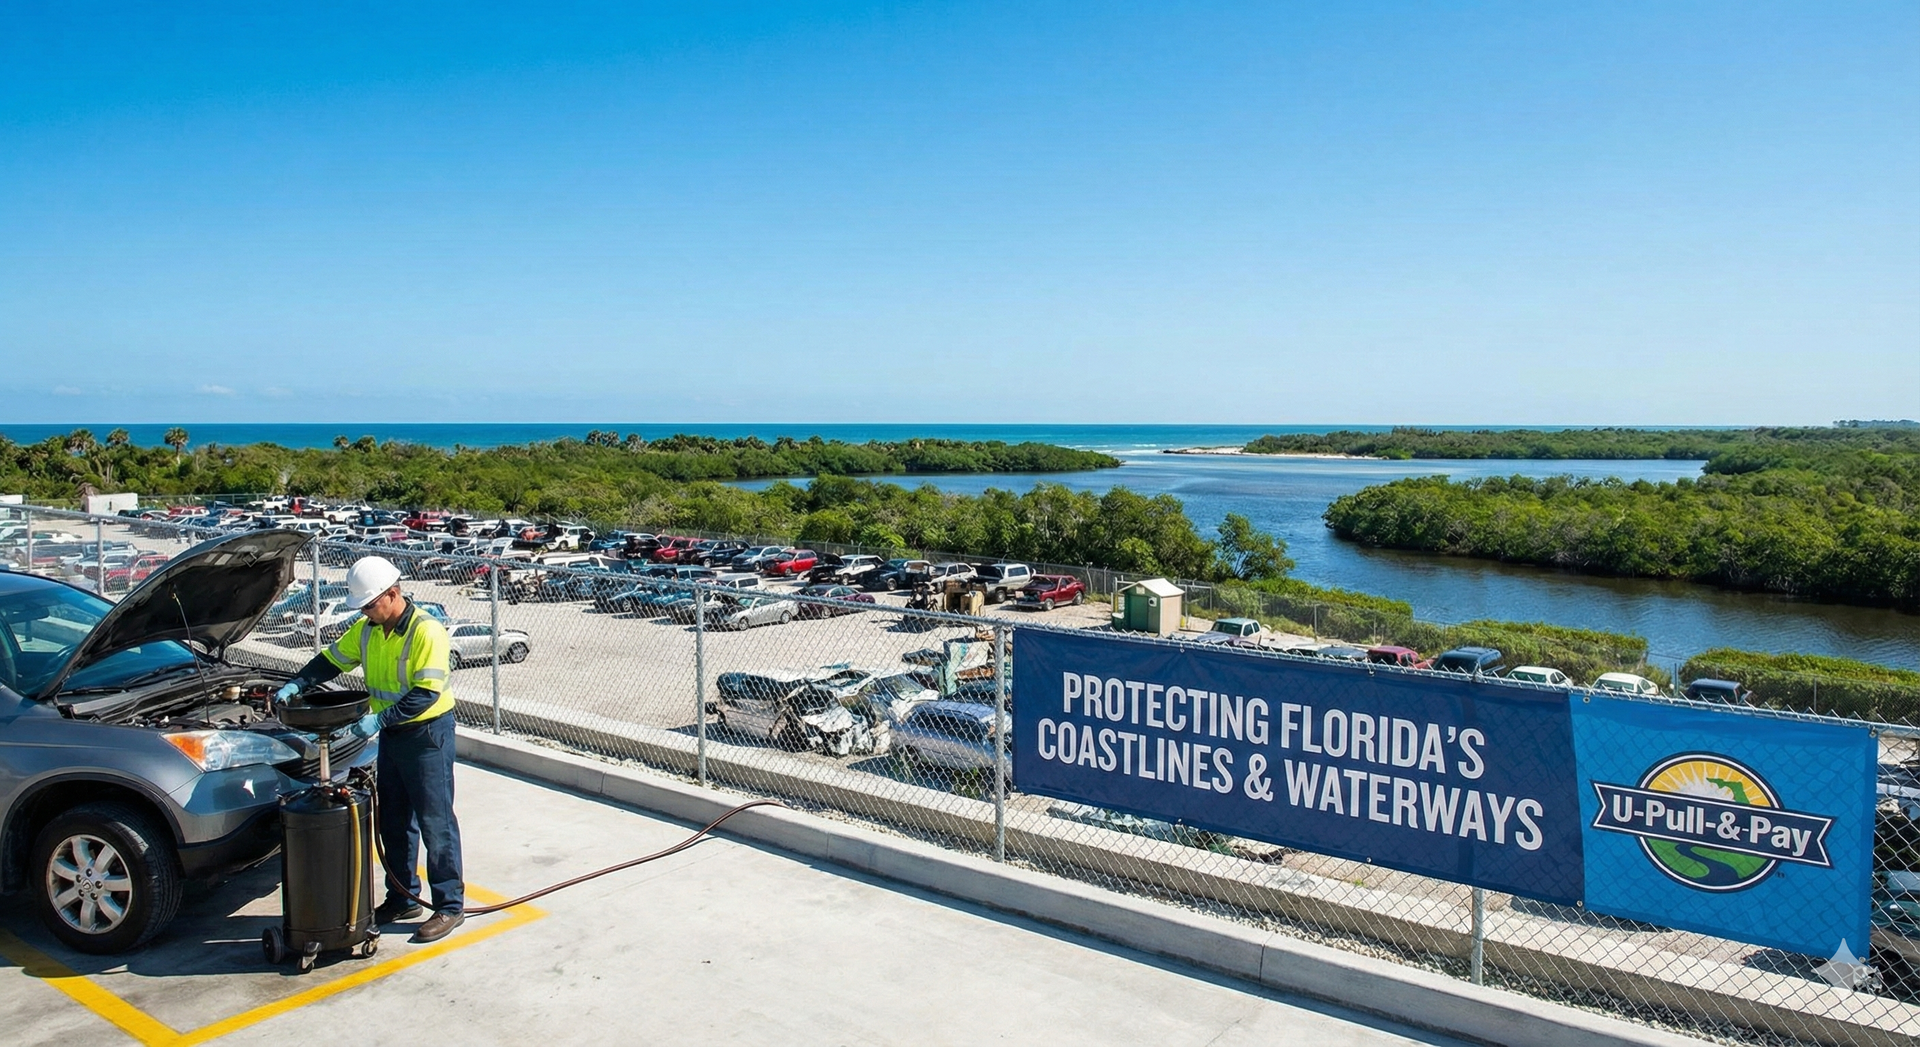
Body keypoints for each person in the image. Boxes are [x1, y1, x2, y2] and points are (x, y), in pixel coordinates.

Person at [275, 555, 465, 943]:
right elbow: (331, 661)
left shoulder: (427, 632)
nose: (365, 612)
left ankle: (449, 905)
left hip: (427, 735)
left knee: (435, 822)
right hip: (394, 736)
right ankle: (403, 896)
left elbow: (426, 694)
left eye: (369, 605)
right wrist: (298, 683)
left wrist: (377, 720)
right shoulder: (367, 630)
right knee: (393, 821)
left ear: (392, 595)